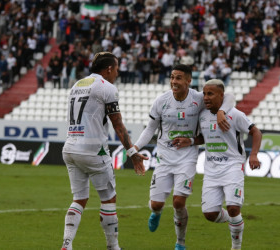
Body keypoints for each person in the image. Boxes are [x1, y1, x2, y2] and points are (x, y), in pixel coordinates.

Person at [133, 64, 235, 250]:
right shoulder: (161, 100)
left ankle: (180, 243)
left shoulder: (198, 99)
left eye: (179, 78)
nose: (174, 81)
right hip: (164, 156)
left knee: (179, 202)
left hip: (187, 157)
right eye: (172, 77)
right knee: (156, 204)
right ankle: (156, 212)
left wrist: (221, 111)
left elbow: (228, 96)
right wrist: (135, 148)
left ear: (189, 80)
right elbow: (150, 128)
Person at [61, 52, 148, 250]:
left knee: (79, 198)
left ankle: (67, 244)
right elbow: (117, 124)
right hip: (93, 150)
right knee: (108, 199)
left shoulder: (77, 85)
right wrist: (133, 154)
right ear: (109, 69)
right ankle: (113, 246)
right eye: (116, 69)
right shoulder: (106, 88)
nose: (117, 73)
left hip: (70, 148)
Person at [173, 79, 262, 250]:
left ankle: (236, 246)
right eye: (205, 94)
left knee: (233, 207)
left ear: (221, 95)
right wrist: (190, 140)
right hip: (211, 170)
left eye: (210, 94)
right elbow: (203, 137)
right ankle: (235, 221)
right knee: (210, 214)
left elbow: (255, 132)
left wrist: (254, 154)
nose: (206, 97)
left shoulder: (234, 114)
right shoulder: (203, 115)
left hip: (233, 167)